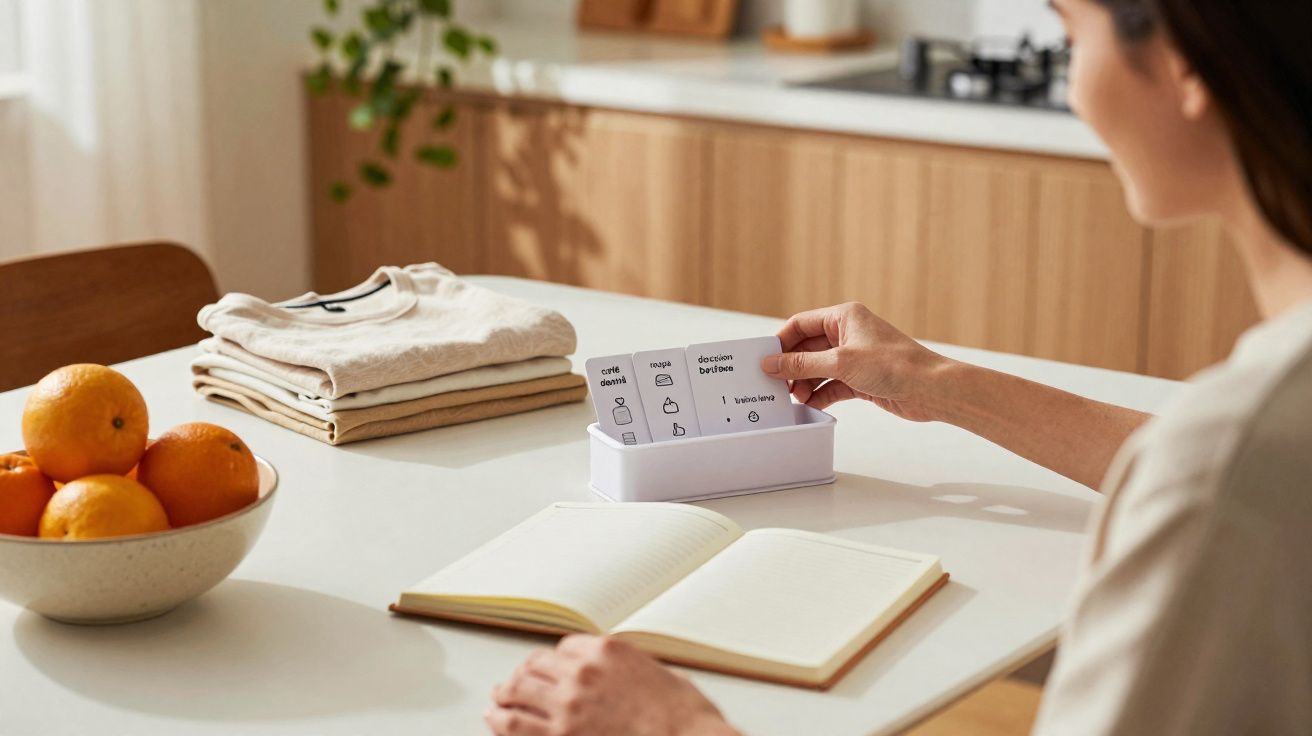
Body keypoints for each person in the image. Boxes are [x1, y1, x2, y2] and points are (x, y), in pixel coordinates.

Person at [485, 0, 1312, 732]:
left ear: (1182, 65)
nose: (1070, 86)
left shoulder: (1233, 455)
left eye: (1070, 32)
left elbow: (1221, 470)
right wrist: (934, 383)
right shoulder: (1261, 429)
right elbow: (1223, 466)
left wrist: (674, 726)